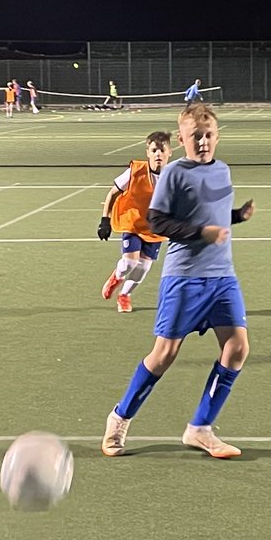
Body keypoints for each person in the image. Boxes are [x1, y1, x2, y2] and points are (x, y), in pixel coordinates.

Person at [101, 103, 254, 460]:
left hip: (222, 276)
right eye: (195, 136)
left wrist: (237, 217)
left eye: (208, 135)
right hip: (184, 277)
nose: (203, 142)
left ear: (217, 136)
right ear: (182, 139)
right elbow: (157, 223)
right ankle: (119, 419)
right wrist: (202, 232)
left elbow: (212, 214)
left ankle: (200, 429)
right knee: (164, 355)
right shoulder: (173, 173)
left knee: (237, 349)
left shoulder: (223, 171)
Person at [98, 131, 173, 313]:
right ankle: (117, 276)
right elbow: (113, 193)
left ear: (169, 152)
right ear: (148, 152)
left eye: (162, 150)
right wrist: (104, 220)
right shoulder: (135, 170)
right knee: (130, 263)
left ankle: (124, 296)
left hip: (155, 228)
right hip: (132, 222)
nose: (158, 154)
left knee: (144, 267)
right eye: (154, 150)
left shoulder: (174, 176)